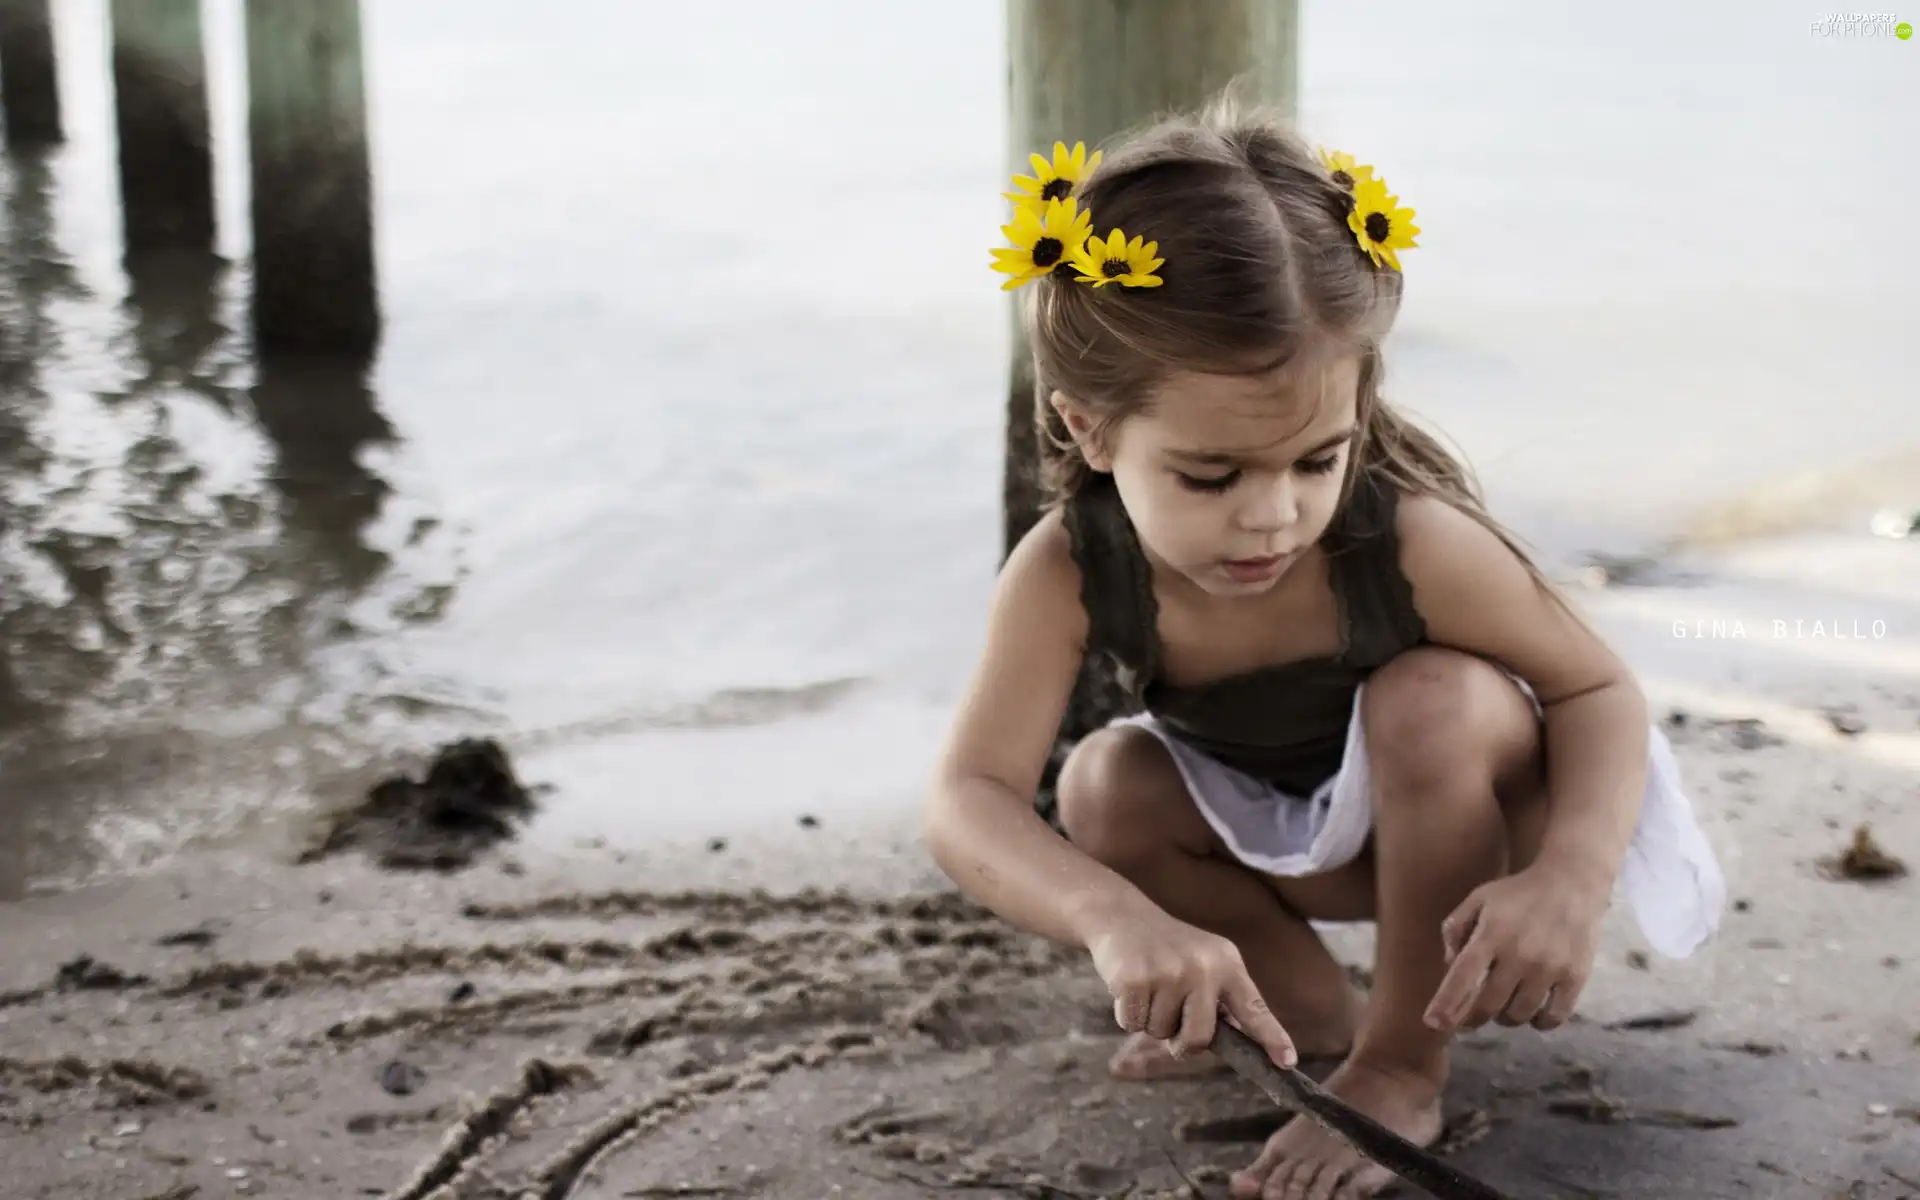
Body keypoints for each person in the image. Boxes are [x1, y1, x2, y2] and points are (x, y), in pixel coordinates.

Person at [925, 100, 1726, 1200]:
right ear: (1088, 428)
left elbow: (1595, 686)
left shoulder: (1410, 542)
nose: (1274, 517)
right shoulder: (1069, 567)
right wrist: (1122, 923)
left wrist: (1571, 877)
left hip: (1486, 816)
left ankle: (1403, 1061)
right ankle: (1304, 1011)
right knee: (1106, 782)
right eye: (1213, 478)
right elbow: (971, 797)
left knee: (1428, 697)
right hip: (1301, 834)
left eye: (1318, 460)